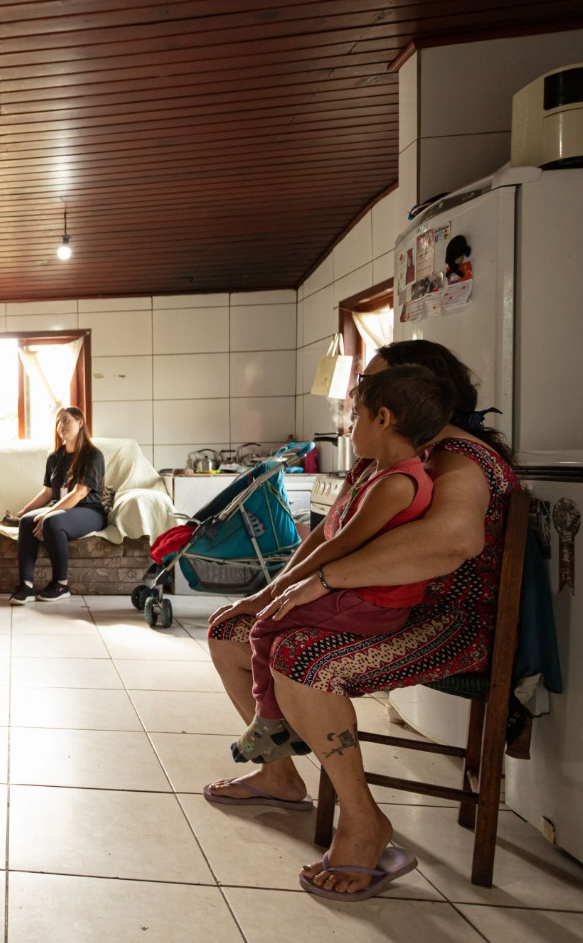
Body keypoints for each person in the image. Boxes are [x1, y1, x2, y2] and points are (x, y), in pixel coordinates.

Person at [203, 339, 520, 900]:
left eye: (365, 386)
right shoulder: (384, 457)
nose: (354, 396)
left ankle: (365, 821)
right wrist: (271, 591)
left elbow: (455, 539)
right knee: (232, 628)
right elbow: (330, 538)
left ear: (395, 403)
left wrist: (320, 584)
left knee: (299, 658)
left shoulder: (458, 458)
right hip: (371, 605)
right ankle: (278, 773)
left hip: (447, 621)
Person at [231, 364, 453, 764]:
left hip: (371, 604)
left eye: (356, 416)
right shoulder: (377, 473)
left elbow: (341, 546)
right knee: (266, 621)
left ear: (383, 419)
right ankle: (280, 722)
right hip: (360, 597)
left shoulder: (395, 483)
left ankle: (270, 721)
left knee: (267, 624)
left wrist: (282, 589)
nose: (350, 427)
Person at [9, 407, 106, 604]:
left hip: (89, 510)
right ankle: (26, 586)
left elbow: (79, 492)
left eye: (66, 420)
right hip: (60, 508)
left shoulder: (93, 455)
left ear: (80, 423)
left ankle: (61, 585)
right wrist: (23, 512)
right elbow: (47, 492)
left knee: (51, 521)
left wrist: (47, 514)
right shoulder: (54, 458)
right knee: (28, 522)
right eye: (59, 422)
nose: (61, 425)